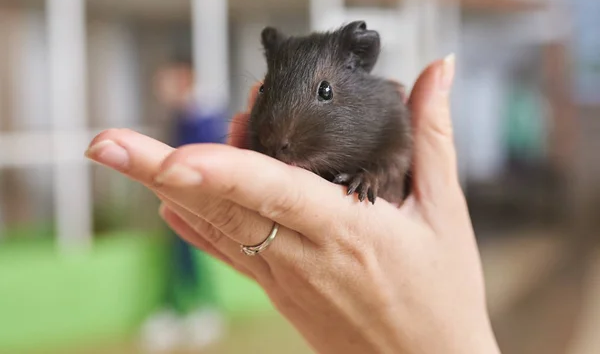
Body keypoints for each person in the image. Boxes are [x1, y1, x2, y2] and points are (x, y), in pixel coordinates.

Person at [85, 55, 502, 354]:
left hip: (212, 188)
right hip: (197, 198)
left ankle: (198, 312)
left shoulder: (208, 112)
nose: (165, 88)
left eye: (170, 80)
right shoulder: (185, 114)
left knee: (191, 257)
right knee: (185, 252)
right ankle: (184, 311)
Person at [138, 60, 226, 352]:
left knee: (192, 259)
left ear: (186, 79)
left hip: (197, 203)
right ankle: (175, 313)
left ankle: (204, 312)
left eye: (171, 81)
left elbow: (206, 157)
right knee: (174, 261)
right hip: (175, 201)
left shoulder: (204, 117)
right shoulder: (179, 117)